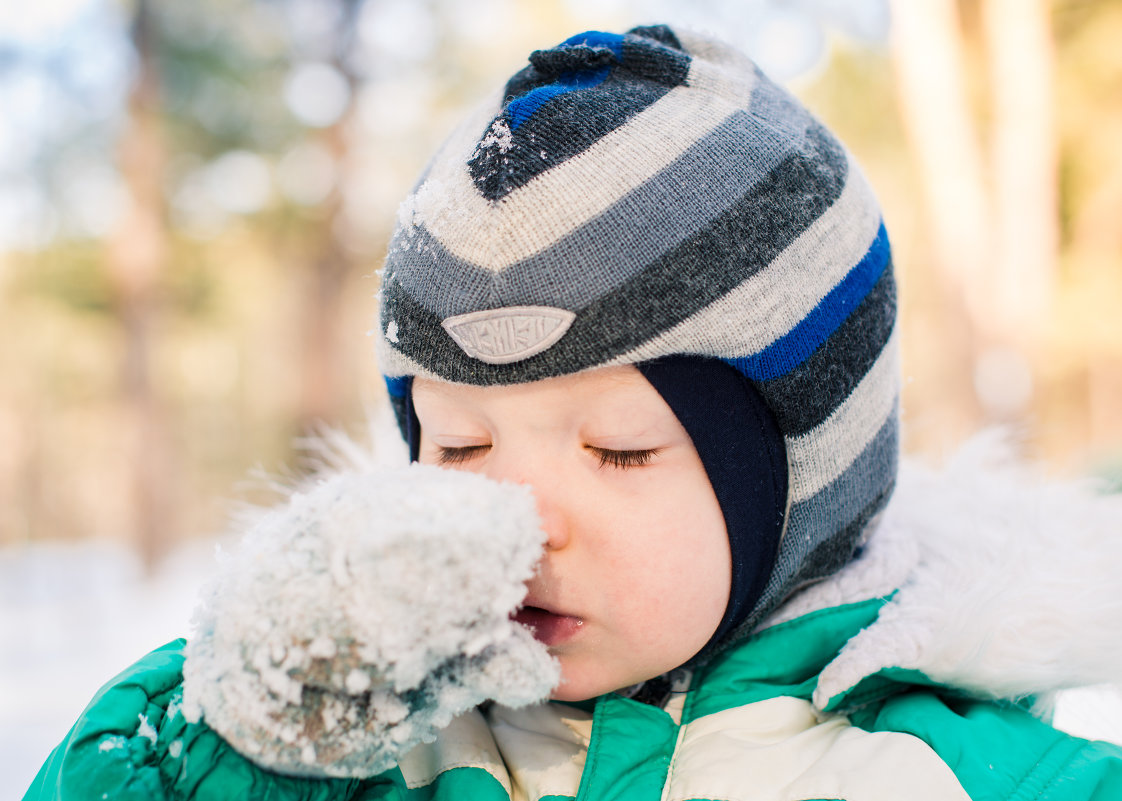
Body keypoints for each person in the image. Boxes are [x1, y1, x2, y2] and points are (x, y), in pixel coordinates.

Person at [25, 24, 1122, 801]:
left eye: (618, 449)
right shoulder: (375, 754)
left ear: (806, 482)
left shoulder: (963, 781)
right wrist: (241, 730)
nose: (519, 515)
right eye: (456, 443)